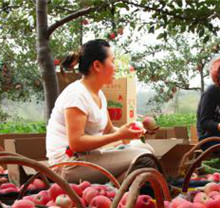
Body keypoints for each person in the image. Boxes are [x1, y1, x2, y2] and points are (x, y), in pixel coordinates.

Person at [46, 39, 155, 183]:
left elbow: (109, 130)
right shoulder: (77, 94)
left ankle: (111, 189)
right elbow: (76, 143)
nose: (115, 67)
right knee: (144, 156)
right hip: (68, 165)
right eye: (112, 61)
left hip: (88, 156)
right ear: (97, 65)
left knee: (144, 147)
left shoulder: (99, 94)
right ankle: (114, 191)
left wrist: (128, 132)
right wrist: (119, 136)